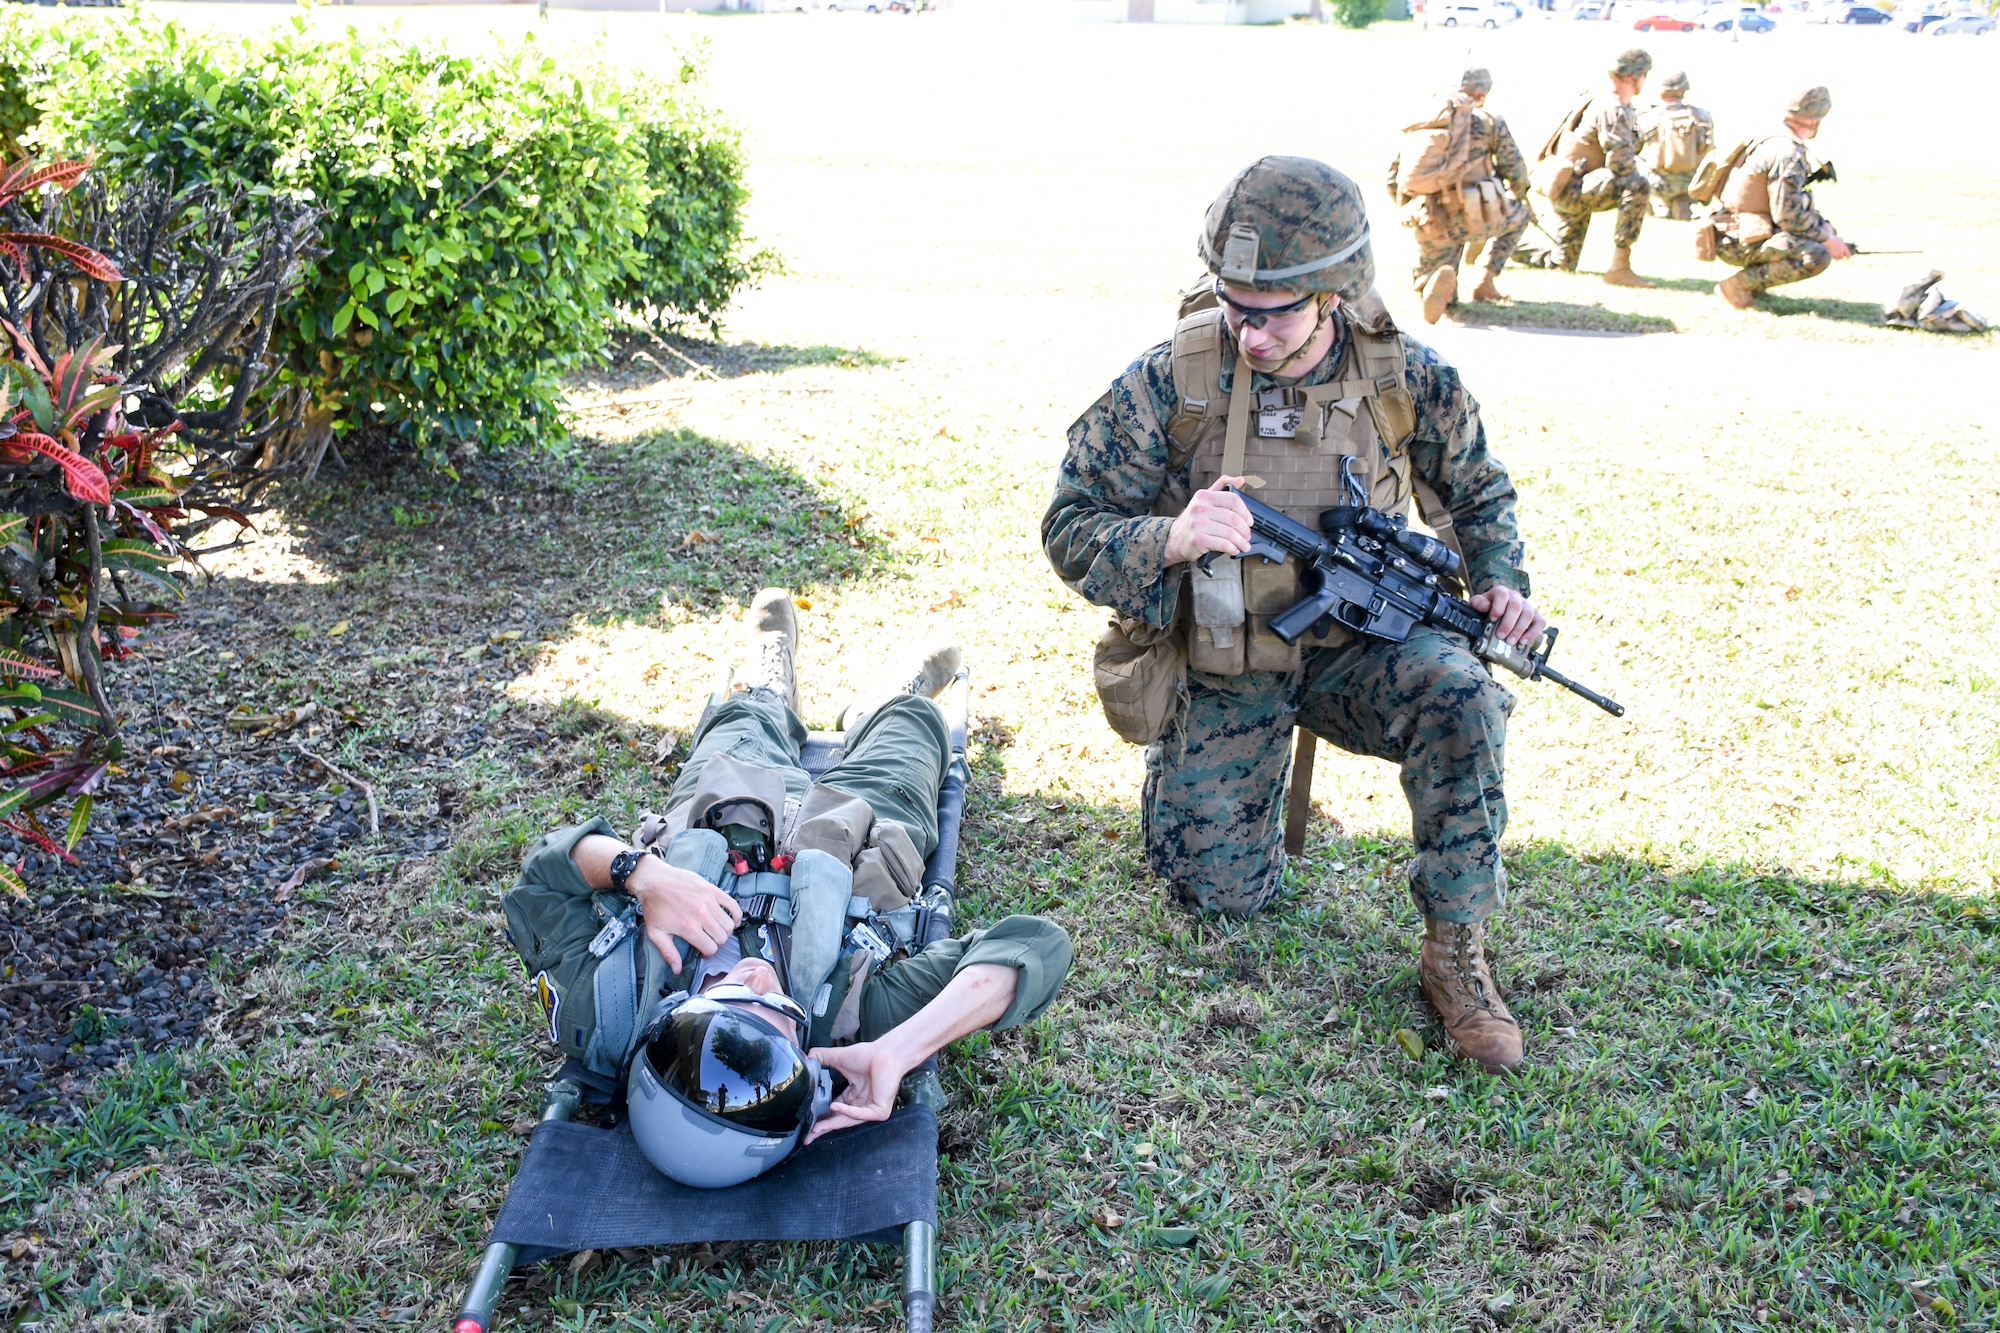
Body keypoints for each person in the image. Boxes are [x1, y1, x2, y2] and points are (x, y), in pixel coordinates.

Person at [1043, 157, 1546, 1074]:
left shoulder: (1403, 376)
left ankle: (1456, 954)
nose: (1247, 329)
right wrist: (1169, 536)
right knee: (1216, 899)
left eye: (1270, 311)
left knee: (1463, 695)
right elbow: (1069, 524)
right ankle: (1225, 790)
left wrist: (1501, 577)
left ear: (1332, 296)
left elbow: (1477, 496)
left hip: (1365, 650)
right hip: (1229, 658)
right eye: (1233, 304)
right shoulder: (1175, 380)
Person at [512, 590, 1072, 1181]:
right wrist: (895, 1051)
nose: (755, 978)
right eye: (774, 1011)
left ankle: (772, 684)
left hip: (724, 803)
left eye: (726, 999)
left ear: (675, 1016)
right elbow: (1036, 946)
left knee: (747, 717)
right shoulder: (856, 1018)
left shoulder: (604, 1005)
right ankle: (886, 702)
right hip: (863, 825)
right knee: (916, 726)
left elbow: (542, 877)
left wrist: (642, 874)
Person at [1385, 67, 1534, 322]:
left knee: (1438, 278)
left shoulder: (1428, 120)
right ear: (1482, 94)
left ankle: (1434, 284)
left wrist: (1411, 208)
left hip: (1429, 220)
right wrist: (1518, 193)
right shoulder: (1489, 122)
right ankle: (1485, 280)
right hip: (1476, 216)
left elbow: (1392, 178)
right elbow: (1517, 171)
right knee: (1521, 215)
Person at [1711, 87, 1850, 311]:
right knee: (1816, 255)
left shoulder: (1772, 138)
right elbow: (1789, 217)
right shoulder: (1788, 153)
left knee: (1813, 239)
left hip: (1730, 230)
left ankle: (1753, 284)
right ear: (1816, 121)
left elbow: (1791, 202)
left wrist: (1822, 226)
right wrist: (1826, 240)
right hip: (1736, 238)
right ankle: (1736, 287)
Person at [1533, 48, 1656, 287]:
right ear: (1633, 77)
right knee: (1636, 184)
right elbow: (1620, 164)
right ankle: (1620, 268)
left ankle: (1501, 248)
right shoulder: (1613, 108)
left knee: (1562, 263)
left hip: (1566, 185)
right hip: (1576, 188)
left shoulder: (1597, 99)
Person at [1638, 70, 1715, 221]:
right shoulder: (1701, 115)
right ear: (1683, 89)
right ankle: (1683, 203)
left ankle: (1657, 205)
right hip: (1692, 183)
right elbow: (1710, 149)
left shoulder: (1650, 116)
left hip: (1660, 184)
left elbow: (1632, 147)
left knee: (1630, 160)